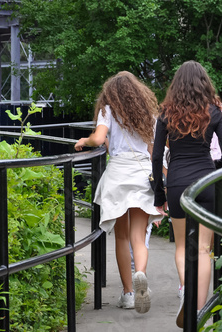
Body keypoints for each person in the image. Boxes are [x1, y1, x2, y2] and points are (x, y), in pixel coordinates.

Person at [151, 60, 222, 328]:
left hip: (176, 183)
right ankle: (199, 310)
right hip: (206, 181)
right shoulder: (214, 111)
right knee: (204, 249)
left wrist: (159, 193)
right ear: (204, 83)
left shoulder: (166, 114)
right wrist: (214, 170)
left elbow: (155, 157)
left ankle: (187, 294)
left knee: (182, 247)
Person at [75, 71, 162, 314]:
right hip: (143, 174)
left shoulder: (108, 110)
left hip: (118, 175)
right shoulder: (149, 114)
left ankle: (128, 293)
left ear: (110, 92)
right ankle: (141, 273)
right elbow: (154, 149)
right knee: (139, 235)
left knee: (121, 238)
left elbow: (99, 138)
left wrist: (86, 140)